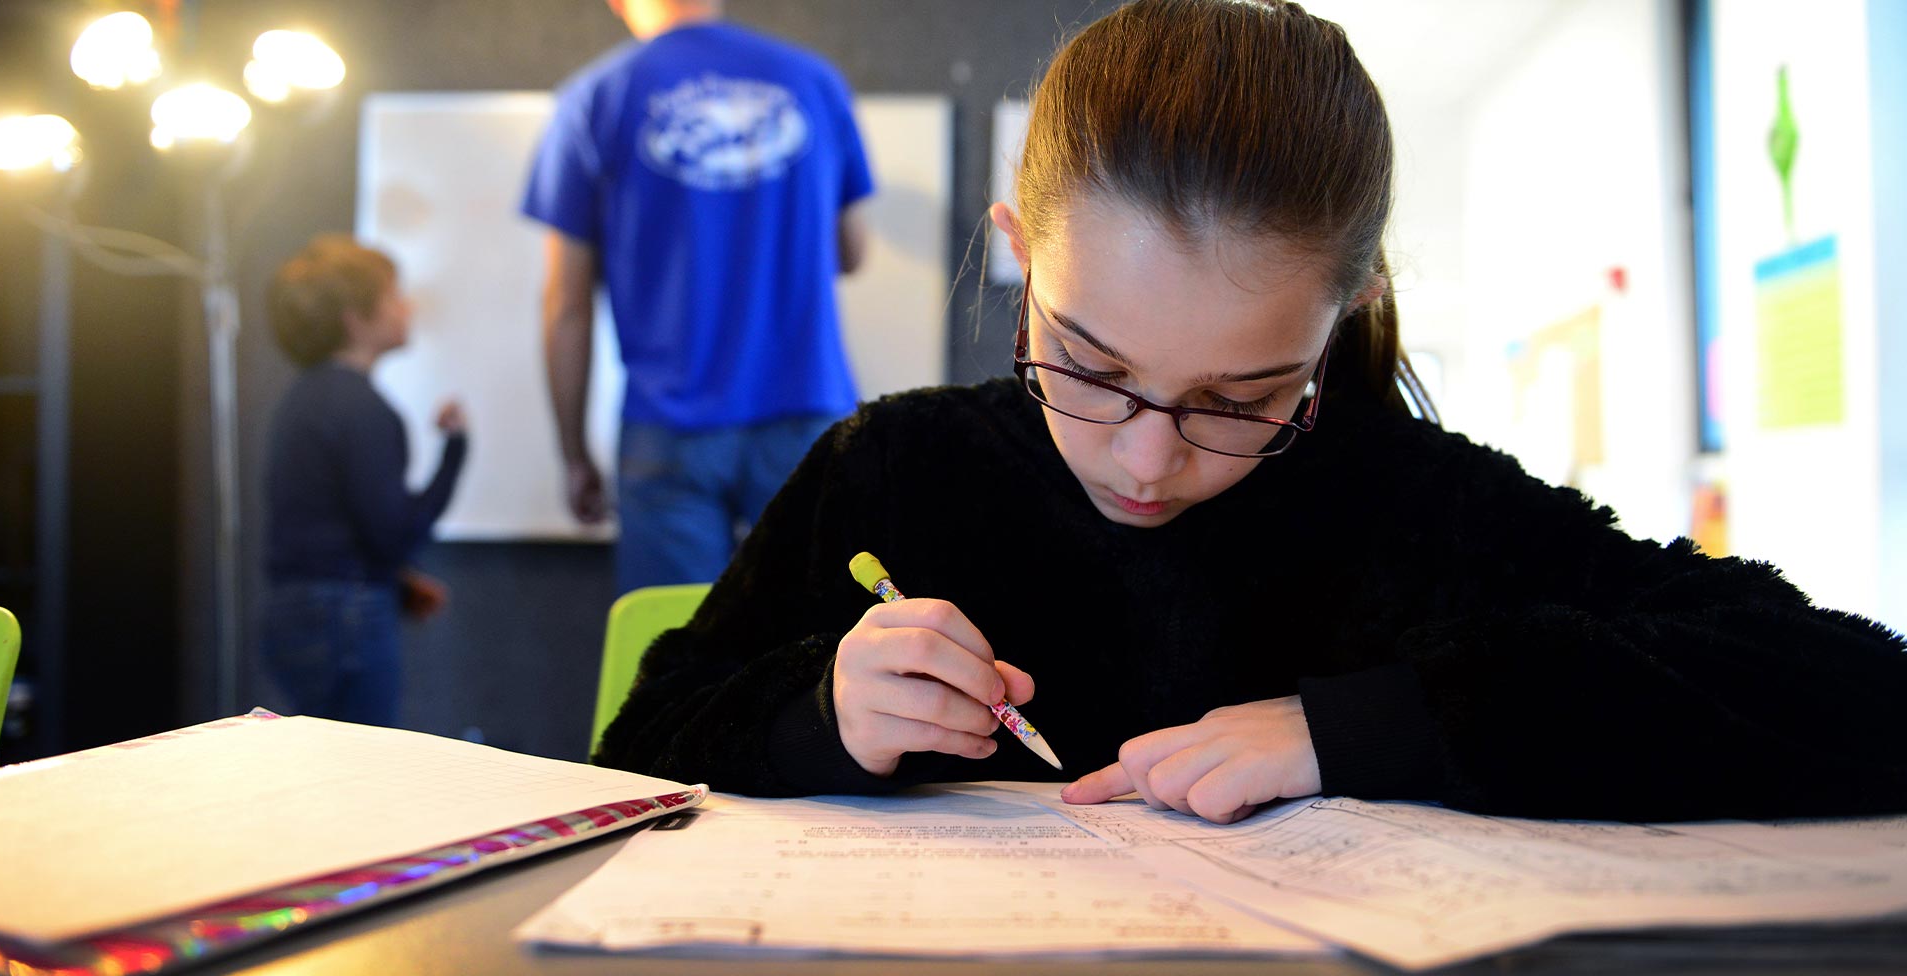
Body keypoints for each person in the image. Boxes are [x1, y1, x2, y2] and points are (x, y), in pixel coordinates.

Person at [592, 0, 1907, 823]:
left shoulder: (1412, 501)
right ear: (1020, 257)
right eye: (1089, 365)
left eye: (1241, 399)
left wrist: (1366, 727)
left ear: (1343, 316)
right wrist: (820, 710)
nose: (1146, 459)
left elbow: (1860, 692)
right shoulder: (893, 469)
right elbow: (638, 747)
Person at [522, 0, 873, 593]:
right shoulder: (814, 81)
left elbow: (567, 305)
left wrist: (574, 453)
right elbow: (851, 253)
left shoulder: (596, 97)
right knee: (817, 630)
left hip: (668, 427)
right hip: (806, 411)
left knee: (679, 640)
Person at [260, 235, 468, 728]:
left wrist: (397, 583)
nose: (408, 306)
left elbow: (329, 525)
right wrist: (455, 450)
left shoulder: (299, 401)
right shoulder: (363, 408)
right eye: (394, 296)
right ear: (356, 319)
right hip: (347, 616)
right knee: (360, 762)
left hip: (292, 611)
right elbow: (393, 534)